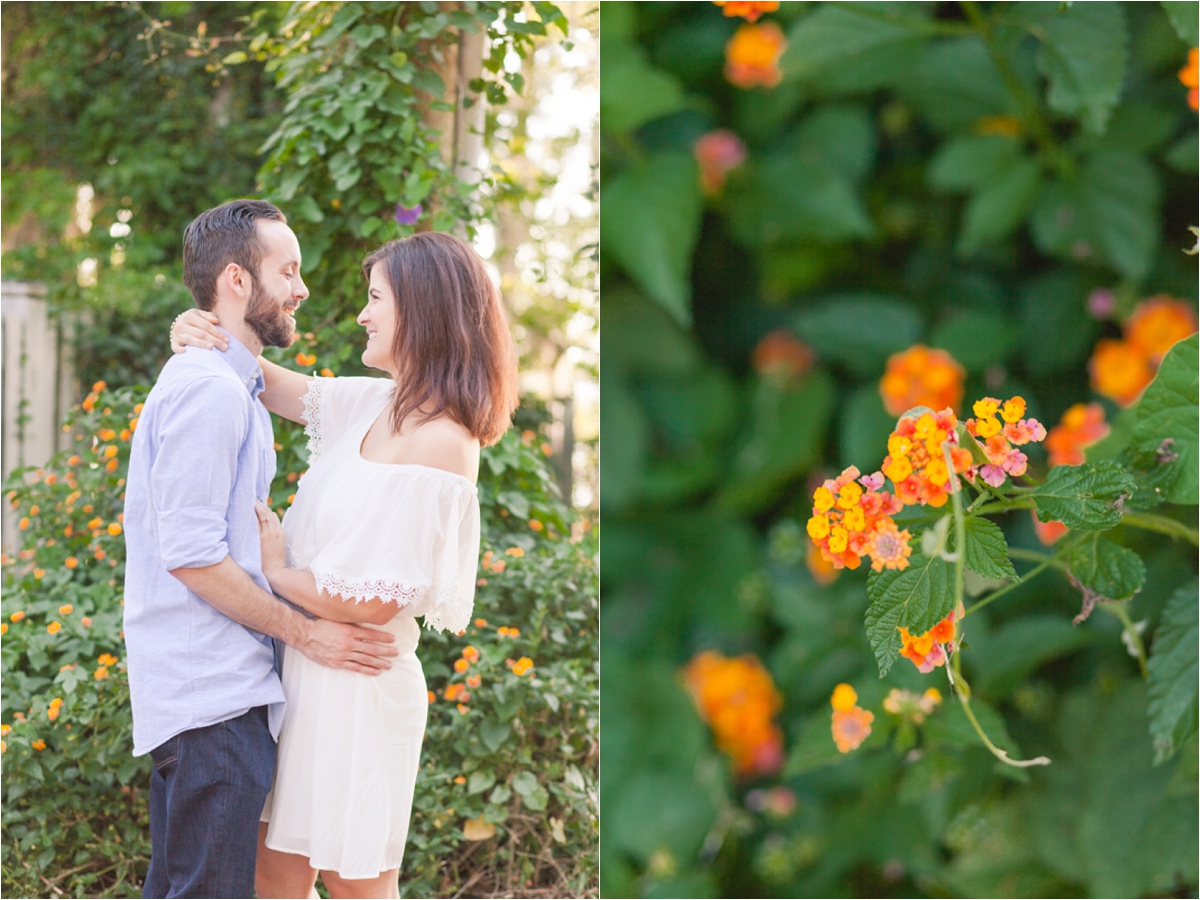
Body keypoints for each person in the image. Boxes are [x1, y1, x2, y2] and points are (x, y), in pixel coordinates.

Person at [170, 230, 519, 899]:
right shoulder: (374, 404)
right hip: (302, 673)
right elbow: (258, 377)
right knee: (274, 873)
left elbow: (375, 602)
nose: (363, 313)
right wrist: (199, 325)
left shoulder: (444, 443)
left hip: (359, 682)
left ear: (424, 309)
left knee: (357, 879)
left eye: (377, 298)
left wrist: (276, 572)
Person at [124, 199, 401, 899]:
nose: (301, 289)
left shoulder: (232, 384)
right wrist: (308, 635)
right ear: (238, 281)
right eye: (289, 270)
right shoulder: (208, 392)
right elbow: (191, 557)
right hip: (212, 697)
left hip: (218, 698)